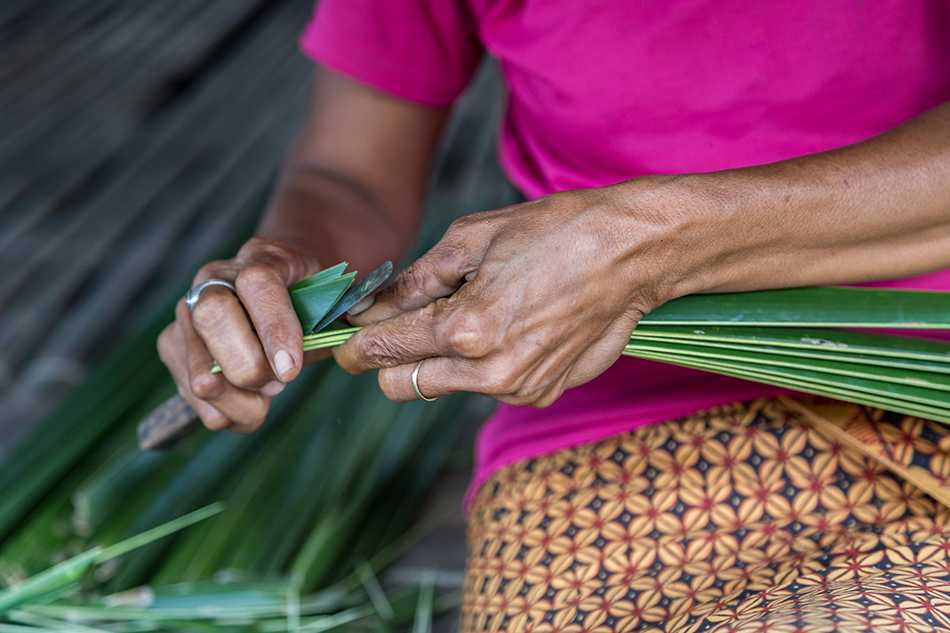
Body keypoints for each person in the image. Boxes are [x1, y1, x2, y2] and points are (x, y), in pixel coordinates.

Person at [158, 1, 950, 631]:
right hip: (605, 432)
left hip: (925, 368)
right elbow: (348, 173)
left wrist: (654, 244)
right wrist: (286, 267)